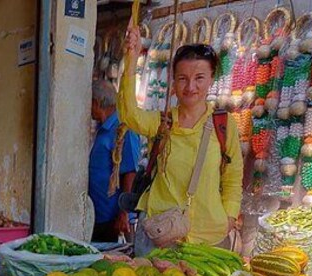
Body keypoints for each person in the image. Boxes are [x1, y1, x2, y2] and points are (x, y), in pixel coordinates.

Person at [121, 24, 244, 255]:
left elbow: (233, 177)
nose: (190, 87)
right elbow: (129, 114)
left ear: (211, 79)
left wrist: (228, 216)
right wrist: (131, 60)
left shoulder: (223, 124)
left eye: (199, 78)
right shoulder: (163, 122)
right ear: (173, 82)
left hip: (207, 239)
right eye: (182, 78)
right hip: (160, 234)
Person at [89, 79, 142, 242]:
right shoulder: (102, 127)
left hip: (110, 215)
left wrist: (123, 213)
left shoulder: (124, 128)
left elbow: (130, 172)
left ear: (96, 102)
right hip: (96, 213)